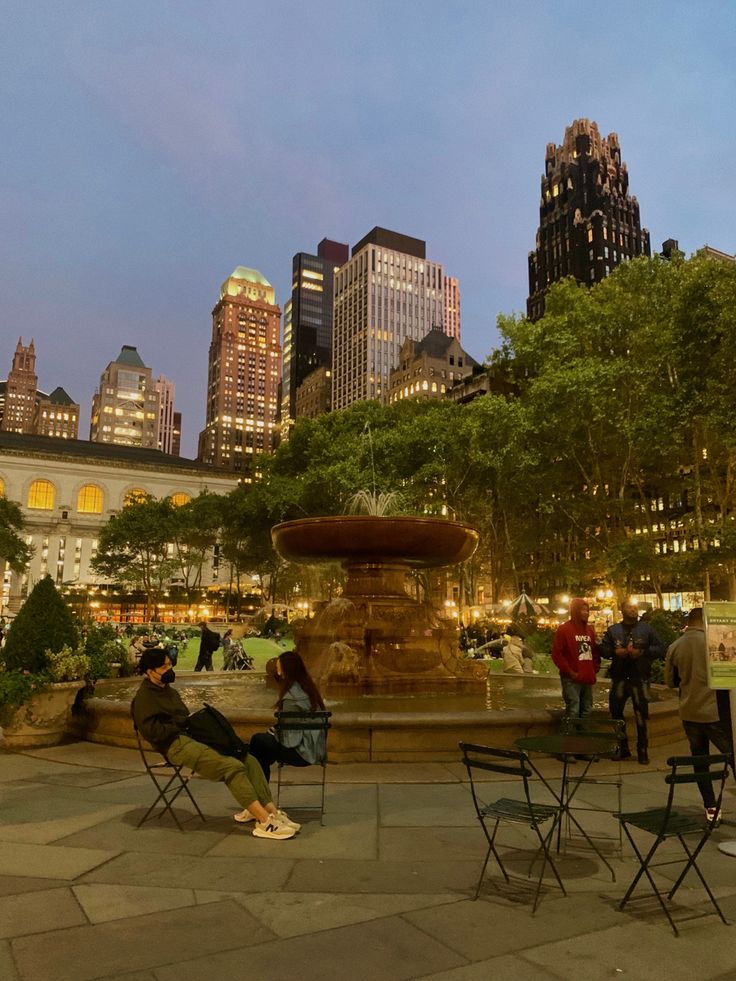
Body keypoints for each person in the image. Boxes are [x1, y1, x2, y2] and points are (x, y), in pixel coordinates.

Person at [131, 648, 299, 840]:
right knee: (232, 767)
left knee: (247, 759)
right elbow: (153, 733)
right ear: (149, 671)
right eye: (164, 666)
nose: (169, 669)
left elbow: (183, 717)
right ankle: (264, 823)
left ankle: (271, 812)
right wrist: (180, 723)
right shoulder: (144, 699)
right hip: (174, 745)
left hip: (192, 737)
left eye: (170, 664)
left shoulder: (169, 692)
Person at [234, 651, 326, 823]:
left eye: (278, 669)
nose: (276, 672)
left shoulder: (291, 697)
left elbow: (289, 737)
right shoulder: (308, 688)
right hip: (315, 750)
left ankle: (256, 804)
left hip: (301, 753)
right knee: (260, 749)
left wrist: (273, 732)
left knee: (256, 743)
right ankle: (257, 803)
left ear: (286, 671)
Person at [664, 607, 733, 823]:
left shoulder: (675, 646)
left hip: (690, 711)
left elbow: (670, 682)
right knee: (732, 755)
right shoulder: (714, 643)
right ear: (704, 621)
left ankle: (710, 807)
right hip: (715, 711)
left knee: (700, 760)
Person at [600, 601, 664, 765]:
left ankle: (642, 750)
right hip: (620, 677)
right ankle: (622, 748)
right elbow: (604, 650)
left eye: (635, 607)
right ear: (622, 610)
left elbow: (660, 648)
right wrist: (615, 652)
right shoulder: (613, 630)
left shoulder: (646, 629)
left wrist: (642, 652)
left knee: (641, 715)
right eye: (629, 607)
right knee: (616, 713)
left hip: (639, 677)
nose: (633, 609)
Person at [551, 597, 600, 719]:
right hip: (571, 678)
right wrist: (570, 672)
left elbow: (594, 651)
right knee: (573, 708)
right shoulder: (564, 630)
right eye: (582, 610)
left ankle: (582, 735)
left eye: (587, 610)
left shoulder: (590, 630)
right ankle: (569, 735)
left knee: (587, 708)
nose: (586, 613)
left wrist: (594, 667)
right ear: (575, 611)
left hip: (586, 676)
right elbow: (557, 653)